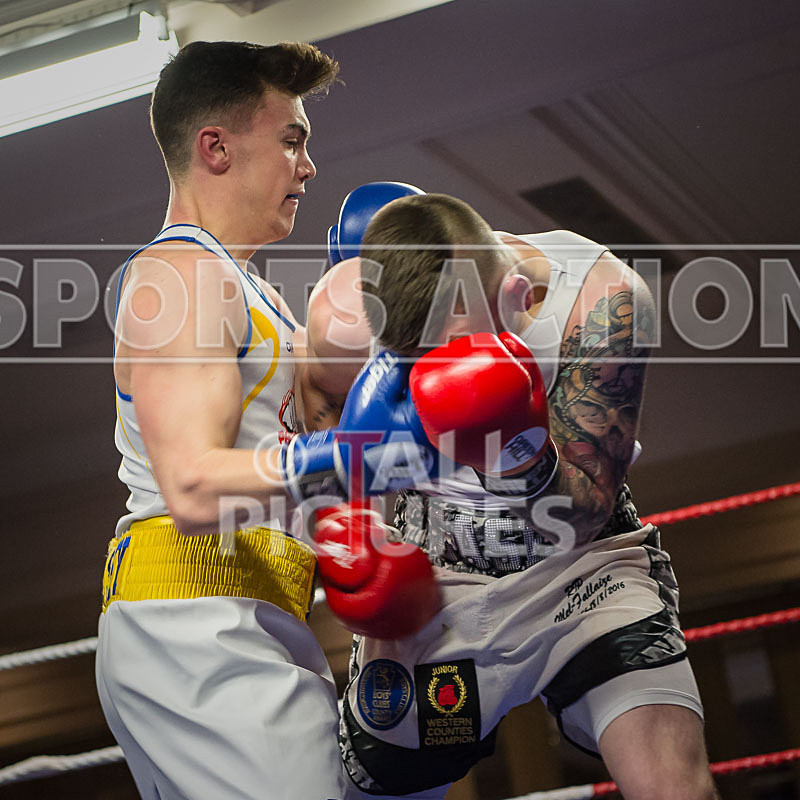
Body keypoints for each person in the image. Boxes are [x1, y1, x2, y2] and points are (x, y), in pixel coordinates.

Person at [301, 189, 719, 799]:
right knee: (376, 789)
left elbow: (586, 502)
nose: (449, 367)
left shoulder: (603, 303)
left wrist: (511, 448)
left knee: (676, 789)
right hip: (439, 577)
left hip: (582, 572)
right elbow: (323, 410)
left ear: (515, 295)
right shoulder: (346, 312)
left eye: (469, 345)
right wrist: (354, 528)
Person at [96, 40, 371, 800]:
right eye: (292, 140)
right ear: (215, 148)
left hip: (248, 620)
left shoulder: (255, 295)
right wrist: (374, 457)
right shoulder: (179, 276)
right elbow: (190, 485)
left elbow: (316, 467)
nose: (307, 167)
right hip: (192, 625)